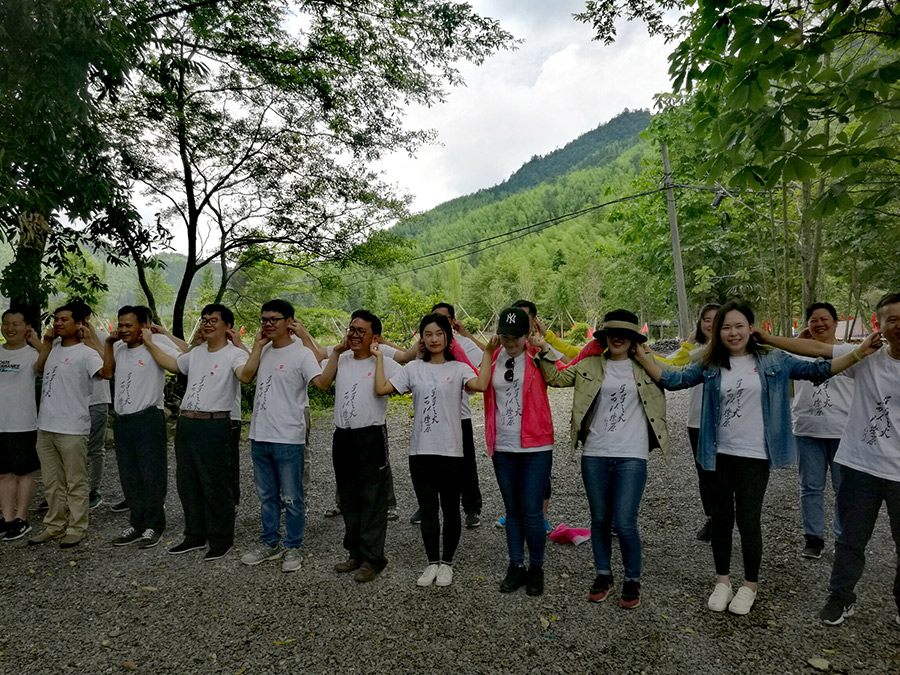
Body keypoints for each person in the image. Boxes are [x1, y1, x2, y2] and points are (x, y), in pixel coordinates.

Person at [633, 300, 880, 615]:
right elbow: (674, 380)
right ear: (718, 332)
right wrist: (641, 355)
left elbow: (817, 370)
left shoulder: (773, 359)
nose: (733, 333)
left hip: (755, 455)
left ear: (751, 328)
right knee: (721, 519)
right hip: (717, 453)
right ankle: (722, 581)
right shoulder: (711, 363)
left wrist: (857, 354)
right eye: (726, 327)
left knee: (748, 520)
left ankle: (749, 585)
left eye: (739, 326)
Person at [538, 309, 670, 610]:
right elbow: (557, 377)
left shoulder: (647, 365)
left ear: (634, 338)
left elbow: (676, 376)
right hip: (595, 453)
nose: (617, 338)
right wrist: (544, 348)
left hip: (632, 454)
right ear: (604, 337)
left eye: (624, 334)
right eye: (612, 333)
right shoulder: (590, 364)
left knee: (625, 523)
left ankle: (632, 579)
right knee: (599, 520)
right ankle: (603, 574)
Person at [374, 312, 493, 587]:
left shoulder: (459, 369)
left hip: (451, 451)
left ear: (448, 337)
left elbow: (481, 384)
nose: (434, 339)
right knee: (428, 510)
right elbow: (381, 388)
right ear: (422, 339)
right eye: (428, 334)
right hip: (420, 452)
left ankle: (447, 563)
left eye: (439, 333)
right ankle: (431, 562)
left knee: (450, 509)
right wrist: (379, 358)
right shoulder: (414, 369)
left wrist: (487, 353)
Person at [142, 303, 248, 561]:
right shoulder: (197, 353)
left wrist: (248, 347)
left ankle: (221, 539)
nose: (207, 324)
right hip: (187, 423)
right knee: (188, 482)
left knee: (216, 483)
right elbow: (173, 363)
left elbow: (246, 375)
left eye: (213, 320)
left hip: (215, 424)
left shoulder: (235, 354)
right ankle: (194, 535)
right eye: (204, 319)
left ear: (228, 326)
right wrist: (150, 344)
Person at [818, 293, 899, 626]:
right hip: (860, 465)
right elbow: (817, 349)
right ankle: (841, 597)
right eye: (892, 319)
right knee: (850, 539)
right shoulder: (867, 356)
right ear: (879, 324)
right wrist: (764, 337)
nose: (898, 325)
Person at [756, 302, 855, 559]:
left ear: (835, 322)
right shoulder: (797, 353)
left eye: (824, 319)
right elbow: (768, 354)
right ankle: (813, 538)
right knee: (810, 486)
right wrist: (797, 341)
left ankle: (843, 539)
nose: (819, 324)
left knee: (844, 490)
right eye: (813, 320)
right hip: (807, 429)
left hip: (842, 430)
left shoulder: (850, 352)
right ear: (807, 324)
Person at [238, 299, 330, 573]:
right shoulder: (263, 350)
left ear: (289, 322)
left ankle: (293, 545)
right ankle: (270, 542)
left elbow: (321, 383)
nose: (267, 324)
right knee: (266, 495)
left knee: (291, 496)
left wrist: (331, 354)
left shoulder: (301, 354)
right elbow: (246, 377)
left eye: (273, 319)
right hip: (260, 433)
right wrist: (256, 346)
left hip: (288, 436)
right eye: (264, 319)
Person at [316, 310, 403, 583]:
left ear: (375, 337)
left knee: (373, 498)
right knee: (349, 497)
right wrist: (335, 351)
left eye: (360, 331)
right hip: (343, 436)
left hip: (371, 436)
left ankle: (373, 559)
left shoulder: (385, 362)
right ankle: (354, 553)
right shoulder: (341, 359)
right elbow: (322, 382)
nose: (354, 335)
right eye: (351, 330)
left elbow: (407, 379)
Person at [484, 307, 554, 596]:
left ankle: (536, 567)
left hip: (537, 446)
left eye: (516, 337)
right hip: (503, 446)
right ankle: (516, 565)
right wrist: (487, 351)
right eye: (505, 336)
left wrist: (545, 347)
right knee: (512, 511)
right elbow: (476, 380)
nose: (510, 342)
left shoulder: (537, 356)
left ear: (528, 335)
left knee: (533, 513)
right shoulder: (493, 357)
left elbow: (563, 371)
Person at [101, 305, 181, 550]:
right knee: (129, 474)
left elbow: (182, 362)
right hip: (123, 419)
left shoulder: (155, 346)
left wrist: (156, 339)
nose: (123, 330)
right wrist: (108, 344)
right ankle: (136, 523)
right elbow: (107, 373)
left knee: (151, 474)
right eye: (120, 325)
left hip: (148, 417)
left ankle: (154, 525)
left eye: (129, 325)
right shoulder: (118, 348)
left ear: (143, 326)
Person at [29, 303, 107, 548]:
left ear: (79, 323)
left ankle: (77, 527)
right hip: (46, 425)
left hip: (72, 427)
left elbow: (106, 373)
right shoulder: (53, 347)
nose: (58, 323)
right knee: (51, 482)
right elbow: (38, 368)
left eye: (64, 320)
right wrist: (46, 342)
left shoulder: (87, 353)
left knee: (75, 481)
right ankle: (54, 525)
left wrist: (93, 341)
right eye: (56, 319)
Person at [426, 302, 485, 528]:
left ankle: (472, 507)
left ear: (452, 321)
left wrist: (466, 336)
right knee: (431, 462)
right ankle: (428, 506)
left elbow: (483, 364)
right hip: (432, 415)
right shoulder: (426, 344)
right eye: (434, 317)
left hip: (460, 414)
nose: (438, 323)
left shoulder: (465, 344)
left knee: (465, 463)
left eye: (444, 319)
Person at [0, 306, 42, 540]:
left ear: (27, 327)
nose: (10, 328)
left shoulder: (31, 355)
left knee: (23, 472)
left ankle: (21, 518)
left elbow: (49, 361)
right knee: (3, 474)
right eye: (6, 323)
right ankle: (6, 518)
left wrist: (35, 340)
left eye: (16, 324)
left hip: (22, 424)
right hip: (1, 423)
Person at [67, 299, 111, 510]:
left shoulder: (102, 338)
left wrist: (91, 339)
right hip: (70, 403)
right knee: (69, 448)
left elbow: (108, 368)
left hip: (97, 400)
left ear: (87, 320)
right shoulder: (62, 341)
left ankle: (94, 489)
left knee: (94, 448)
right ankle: (69, 490)